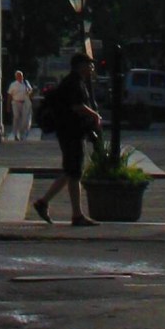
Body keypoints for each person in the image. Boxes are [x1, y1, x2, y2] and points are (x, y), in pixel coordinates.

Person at [33, 54, 102, 226]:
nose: (92, 68)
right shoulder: (74, 83)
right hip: (71, 132)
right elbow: (76, 106)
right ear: (80, 65)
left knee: (71, 171)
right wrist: (94, 115)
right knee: (74, 171)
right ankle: (75, 214)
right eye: (89, 65)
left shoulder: (74, 81)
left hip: (70, 132)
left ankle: (47, 204)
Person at [7, 69, 34, 141]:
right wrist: (8, 106)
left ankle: (22, 134)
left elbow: (31, 91)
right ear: (16, 77)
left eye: (21, 76)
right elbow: (9, 95)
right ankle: (15, 134)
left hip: (24, 103)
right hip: (15, 102)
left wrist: (29, 92)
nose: (20, 77)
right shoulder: (13, 85)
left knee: (24, 120)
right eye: (19, 76)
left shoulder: (26, 83)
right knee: (16, 117)